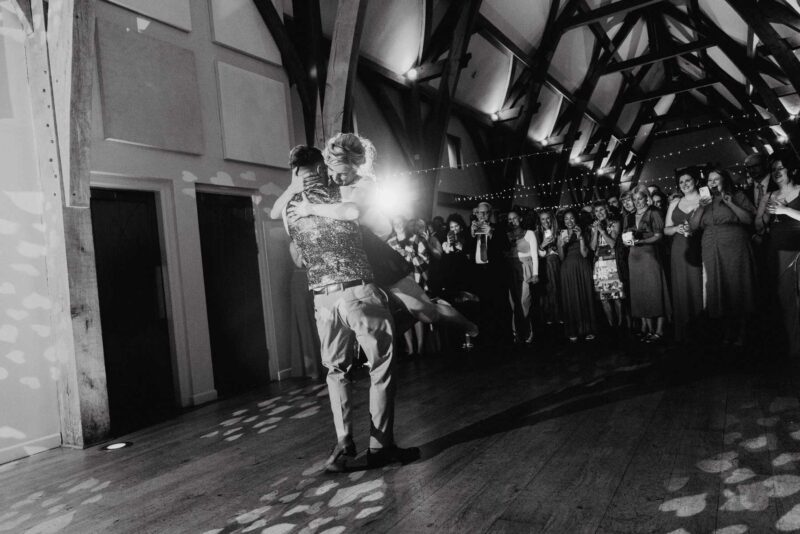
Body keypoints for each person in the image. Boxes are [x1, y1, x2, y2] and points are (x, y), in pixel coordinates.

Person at [281, 145, 408, 472]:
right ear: (322, 167)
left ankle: (343, 442)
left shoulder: (288, 209)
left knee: (336, 371)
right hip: (357, 292)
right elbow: (358, 216)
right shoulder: (340, 193)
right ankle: (380, 446)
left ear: (294, 171)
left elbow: (298, 256)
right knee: (381, 366)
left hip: (323, 299)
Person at [285, 133, 478, 339]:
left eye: (342, 173)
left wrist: (310, 208)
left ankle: (466, 323)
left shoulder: (364, 184)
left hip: (375, 255)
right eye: (332, 172)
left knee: (426, 312)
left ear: (355, 167)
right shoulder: (328, 183)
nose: (336, 179)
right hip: (346, 262)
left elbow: (352, 211)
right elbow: (276, 211)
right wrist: (292, 187)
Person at [689, 168, 757, 346]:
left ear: (724, 180)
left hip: (735, 245)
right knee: (718, 285)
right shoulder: (704, 201)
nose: (712, 183)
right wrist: (701, 208)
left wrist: (731, 203)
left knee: (737, 284)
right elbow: (694, 226)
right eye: (709, 180)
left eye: (716, 179)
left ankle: (742, 331)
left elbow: (749, 220)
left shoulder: (737, 195)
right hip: (711, 246)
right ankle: (727, 329)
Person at [756, 149, 800, 356]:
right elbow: (759, 225)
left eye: (780, 168)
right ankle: (794, 346)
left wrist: (786, 210)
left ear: (791, 168)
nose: (776, 172)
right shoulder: (769, 195)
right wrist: (764, 213)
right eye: (773, 169)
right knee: (786, 299)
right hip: (779, 251)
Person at [624, 185, 671, 342]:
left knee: (655, 291)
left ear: (646, 198)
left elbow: (659, 236)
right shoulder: (629, 216)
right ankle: (649, 330)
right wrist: (627, 241)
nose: (637, 202)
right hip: (634, 257)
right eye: (635, 199)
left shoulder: (654, 212)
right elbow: (625, 236)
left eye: (640, 198)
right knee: (641, 293)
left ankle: (659, 330)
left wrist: (641, 241)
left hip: (650, 255)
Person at [664, 170, 703, 343]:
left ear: (695, 181)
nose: (685, 184)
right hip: (679, 249)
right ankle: (685, 331)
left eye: (688, 180)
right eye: (681, 182)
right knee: (682, 288)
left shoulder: (704, 198)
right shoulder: (675, 202)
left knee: (698, 285)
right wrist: (676, 229)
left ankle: (703, 327)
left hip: (699, 245)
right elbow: (666, 229)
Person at [471, 201, 512, 346]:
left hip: (495, 273)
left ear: (489, 214)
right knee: (483, 307)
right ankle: (486, 340)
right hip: (479, 274)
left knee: (499, 306)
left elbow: (506, 247)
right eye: (479, 212)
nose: (481, 215)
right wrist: (471, 235)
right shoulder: (473, 229)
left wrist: (491, 233)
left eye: (485, 212)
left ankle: (503, 340)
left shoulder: (498, 228)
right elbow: (467, 251)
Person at [557, 209, 597, 342]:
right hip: (567, 269)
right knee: (571, 297)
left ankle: (588, 329)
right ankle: (573, 329)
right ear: (563, 221)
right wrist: (561, 245)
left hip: (582, 266)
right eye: (566, 219)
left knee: (585, 296)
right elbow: (561, 257)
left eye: (572, 218)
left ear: (576, 219)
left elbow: (585, 254)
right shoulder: (561, 234)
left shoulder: (584, 231)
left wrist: (580, 238)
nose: (569, 221)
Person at [589, 201, 625, 329]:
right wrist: (595, 232)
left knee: (616, 297)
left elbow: (613, 244)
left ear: (607, 210)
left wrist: (602, 231)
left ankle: (621, 326)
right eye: (596, 211)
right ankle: (611, 326)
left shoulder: (615, 223)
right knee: (604, 298)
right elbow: (593, 247)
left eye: (602, 210)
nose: (599, 213)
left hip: (613, 263)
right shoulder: (594, 226)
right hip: (600, 265)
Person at [507, 210, 539, 344]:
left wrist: (536, 273)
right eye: (509, 219)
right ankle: (516, 332)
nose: (512, 221)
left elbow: (535, 255)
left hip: (526, 268)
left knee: (524, 301)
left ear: (520, 219)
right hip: (512, 269)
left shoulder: (529, 233)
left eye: (514, 218)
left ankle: (528, 330)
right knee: (514, 303)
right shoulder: (507, 235)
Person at [536, 210, 562, 327]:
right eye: (543, 219)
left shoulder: (558, 232)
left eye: (548, 218)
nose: (546, 221)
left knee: (559, 289)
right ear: (540, 221)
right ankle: (550, 316)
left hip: (558, 263)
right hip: (545, 264)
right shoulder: (537, 233)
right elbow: (538, 255)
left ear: (552, 219)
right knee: (548, 290)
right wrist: (543, 244)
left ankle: (560, 315)